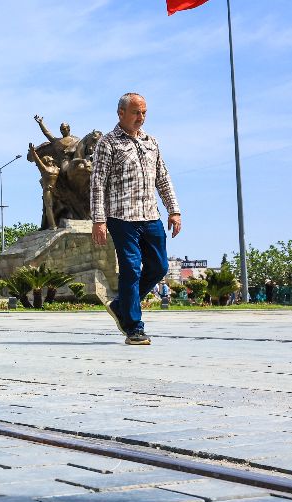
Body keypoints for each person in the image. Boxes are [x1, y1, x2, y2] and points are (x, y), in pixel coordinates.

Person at [91, 93, 182, 345]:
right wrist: (98, 220)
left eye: (143, 112)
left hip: (151, 216)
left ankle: (121, 306)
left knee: (159, 267)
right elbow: (97, 184)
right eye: (135, 112)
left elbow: (162, 178)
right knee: (131, 269)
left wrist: (173, 210)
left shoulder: (151, 142)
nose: (140, 117)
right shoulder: (108, 143)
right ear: (121, 113)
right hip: (121, 217)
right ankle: (134, 327)